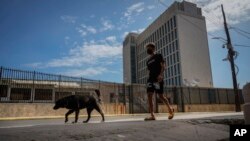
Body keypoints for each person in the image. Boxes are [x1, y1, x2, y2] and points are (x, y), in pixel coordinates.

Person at [144, 43, 174, 121]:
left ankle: (170, 110)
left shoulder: (158, 56)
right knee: (149, 95)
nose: (148, 50)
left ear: (153, 48)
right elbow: (149, 70)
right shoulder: (147, 61)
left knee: (160, 96)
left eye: (149, 48)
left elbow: (163, 66)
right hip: (151, 79)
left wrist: (161, 75)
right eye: (147, 49)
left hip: (157, 79)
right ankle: (152, 115)